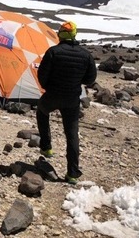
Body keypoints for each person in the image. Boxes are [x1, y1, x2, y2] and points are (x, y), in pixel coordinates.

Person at [36, 21, 97, 184]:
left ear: (60, 35)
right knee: (71, 134)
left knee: (42, 111)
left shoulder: (53, 52)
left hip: (53, 95)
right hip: (72, 98)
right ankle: (72, 173)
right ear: (75, 34)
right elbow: (91, 78)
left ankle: (46, 146)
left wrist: (48, 87)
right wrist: (76, 82)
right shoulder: (86, 55)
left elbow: (42, 75)